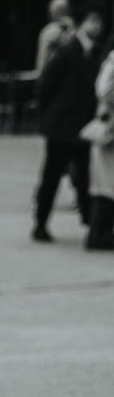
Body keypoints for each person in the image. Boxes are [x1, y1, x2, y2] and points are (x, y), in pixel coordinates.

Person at [31, 3, 105, 243]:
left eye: (99, 22)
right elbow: (45, 85)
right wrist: (49, 117)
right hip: (61, 126)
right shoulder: (67, 50)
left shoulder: (96, 53)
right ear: (83, 22)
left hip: (82, 127)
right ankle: (41, 222)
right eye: (92, 20)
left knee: (84, 177)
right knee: (52, 175)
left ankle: (91, 225)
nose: (96, 26)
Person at [86, 36, 114, 250]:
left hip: (108, 132)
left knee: (106, 185)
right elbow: (103, 90)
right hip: (109, 134)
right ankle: (98, 235)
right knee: (107, 185)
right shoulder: (112, 61)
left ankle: (101, 233)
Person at [35, 0, 75, 72]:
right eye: (59, 10)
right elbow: (41, 63)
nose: (61, 13)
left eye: (64, 9)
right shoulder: (49, 31)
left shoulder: (71, 29)